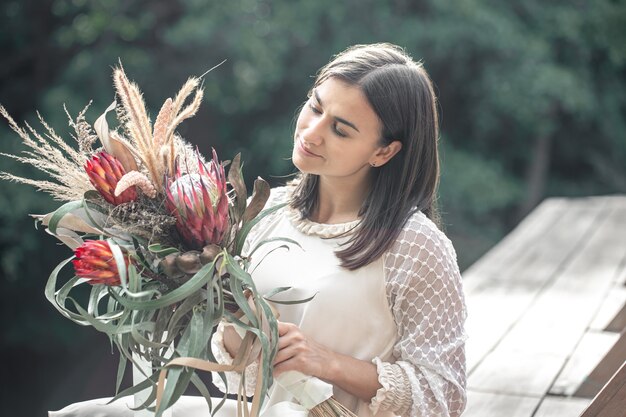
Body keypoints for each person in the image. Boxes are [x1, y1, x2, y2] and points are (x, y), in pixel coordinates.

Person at [50, 43, 466, 417]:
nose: (312, 132)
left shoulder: (415, 245)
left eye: (340, 129)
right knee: (90, 413)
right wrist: (236, 328)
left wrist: (325, 362)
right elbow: (242, 383)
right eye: (315, 106)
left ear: (384, 151)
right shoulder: (268, 212)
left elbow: (444, 395)